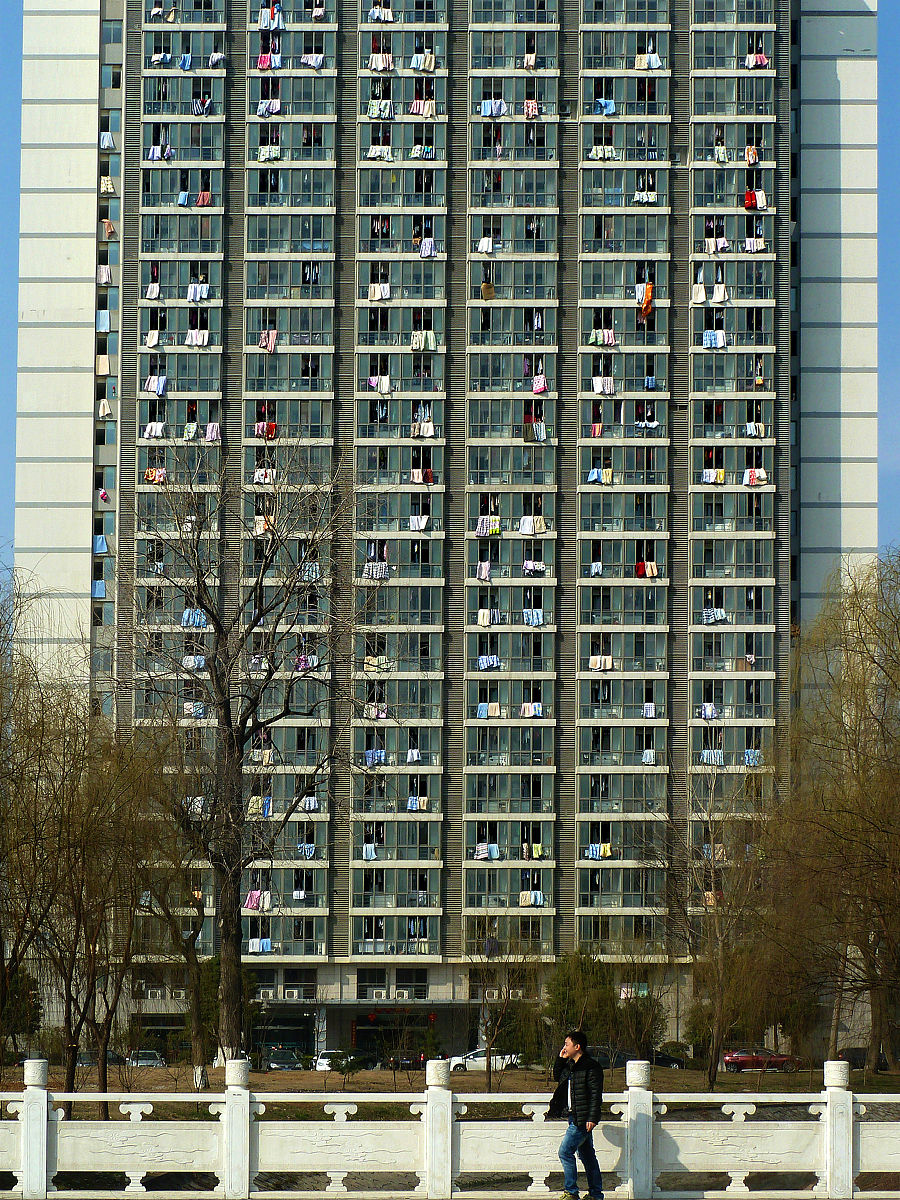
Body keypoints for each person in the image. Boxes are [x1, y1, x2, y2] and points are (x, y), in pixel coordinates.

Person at [548, 1030, 604, 1200]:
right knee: (587, 1156)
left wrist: (592, 1117)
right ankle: (595, 1194)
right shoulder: (570, 1065)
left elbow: (596, 1094)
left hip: (582, 1118)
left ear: (577, 1046)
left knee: (565, 1152)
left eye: (567, 1044)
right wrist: (560, 1059)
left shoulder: (591, 1067)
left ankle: (571, 1192)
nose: (564, 1047)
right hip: (573, 1116)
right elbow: (558, 1077)